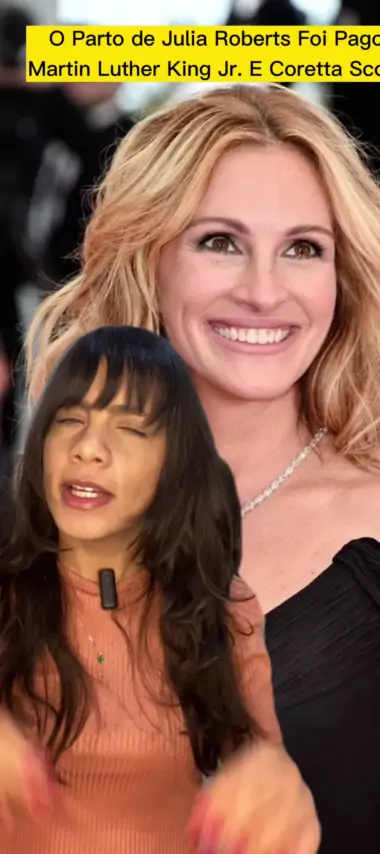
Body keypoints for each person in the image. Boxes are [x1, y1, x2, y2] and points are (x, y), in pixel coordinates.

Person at [25, 84, 380, 854]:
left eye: (303, 248)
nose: (264, 292)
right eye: (219, 242)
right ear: (147, 258)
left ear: (343, 276)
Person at [0, 324, 320, 854]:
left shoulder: (223, 609)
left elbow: (263, 762)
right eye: (70, 420)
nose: (88, 449)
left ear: (175, 464)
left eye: (130, 429)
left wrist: (276, 787)